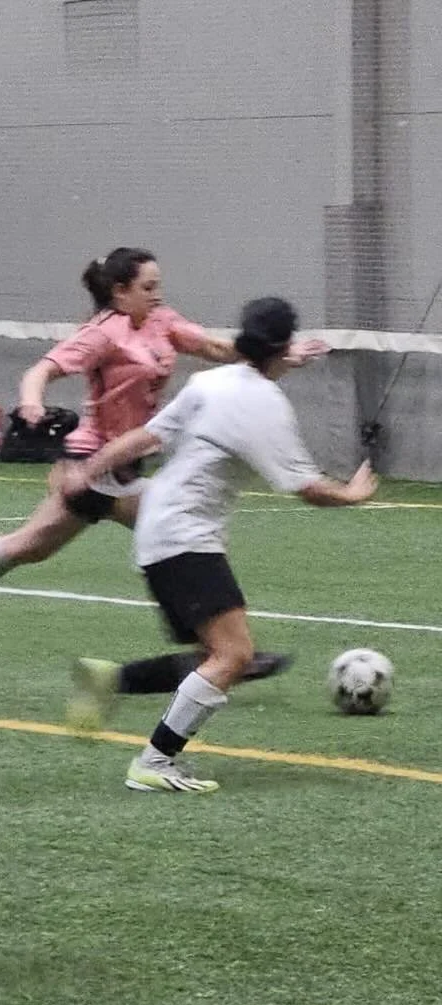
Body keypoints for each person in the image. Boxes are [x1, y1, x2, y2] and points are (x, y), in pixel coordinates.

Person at [0, 247, 317, 681]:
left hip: (119, 467)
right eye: (148, 287)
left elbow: (218, 347)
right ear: (120, 293)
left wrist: (281, 355)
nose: (157, 295)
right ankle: (224, 652)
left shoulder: (163, 323)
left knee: (30, 546)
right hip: (91, 467)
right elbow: (40, 371)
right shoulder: (103, 333)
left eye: (159, 286)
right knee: (189, 535)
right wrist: (30, 403)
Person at [57, 296, 376, 793]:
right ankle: (154, 763)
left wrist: (87, 471)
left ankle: (112, 681)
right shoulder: (266, 405)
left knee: (217, 653)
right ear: (284, 346)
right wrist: (353, 494)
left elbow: (144, 437)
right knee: (234, 655)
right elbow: (307, 489)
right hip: (185, 537)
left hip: (159, 529)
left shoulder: (210, 382)